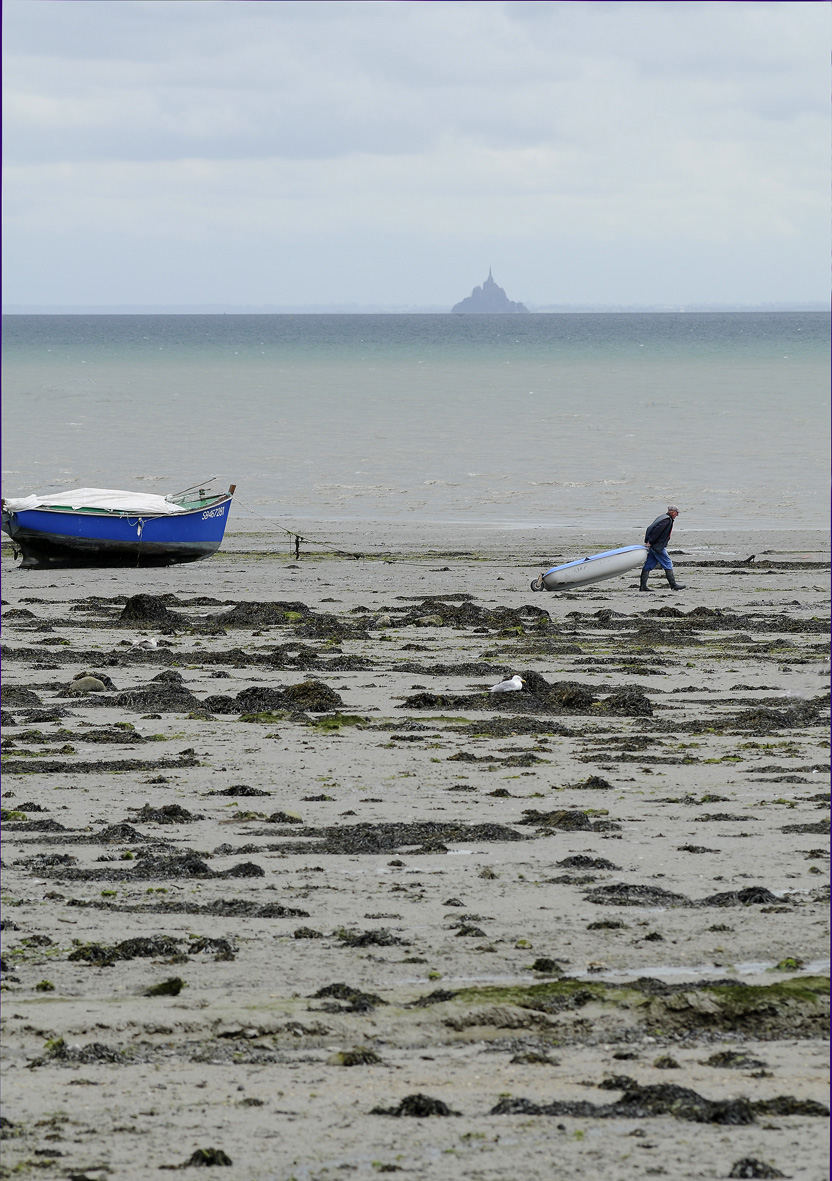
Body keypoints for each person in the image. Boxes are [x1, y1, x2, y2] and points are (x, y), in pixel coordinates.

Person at [640, 505, 685, 591]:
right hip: (657, 546)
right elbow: (656, 532)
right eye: (677, 513)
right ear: (672, 512)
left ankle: (643, 586)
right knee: (667, 563)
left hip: (654, 545)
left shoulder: (663, 518)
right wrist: (650, 542)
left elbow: (651, 529)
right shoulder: (666, 520)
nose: (677, 515)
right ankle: (673, 585)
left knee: (649, 565)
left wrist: (649, 542)